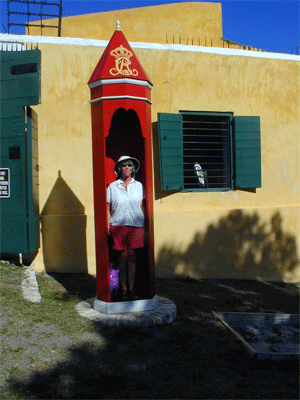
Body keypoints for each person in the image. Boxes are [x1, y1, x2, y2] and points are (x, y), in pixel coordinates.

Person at [107, 156, 145, 301]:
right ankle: (123, 290)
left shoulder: (139, 186)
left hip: (136, 225)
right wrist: (107, 227)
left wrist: (146, 228)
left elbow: (142, 206)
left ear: (133, 168)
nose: (127, 168)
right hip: (118, 225)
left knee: (133, 257)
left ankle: (132, 289)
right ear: (119, 168)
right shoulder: (112, 187)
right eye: (124, 166)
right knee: (122, 257)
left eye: (129, 165)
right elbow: (108, 208)